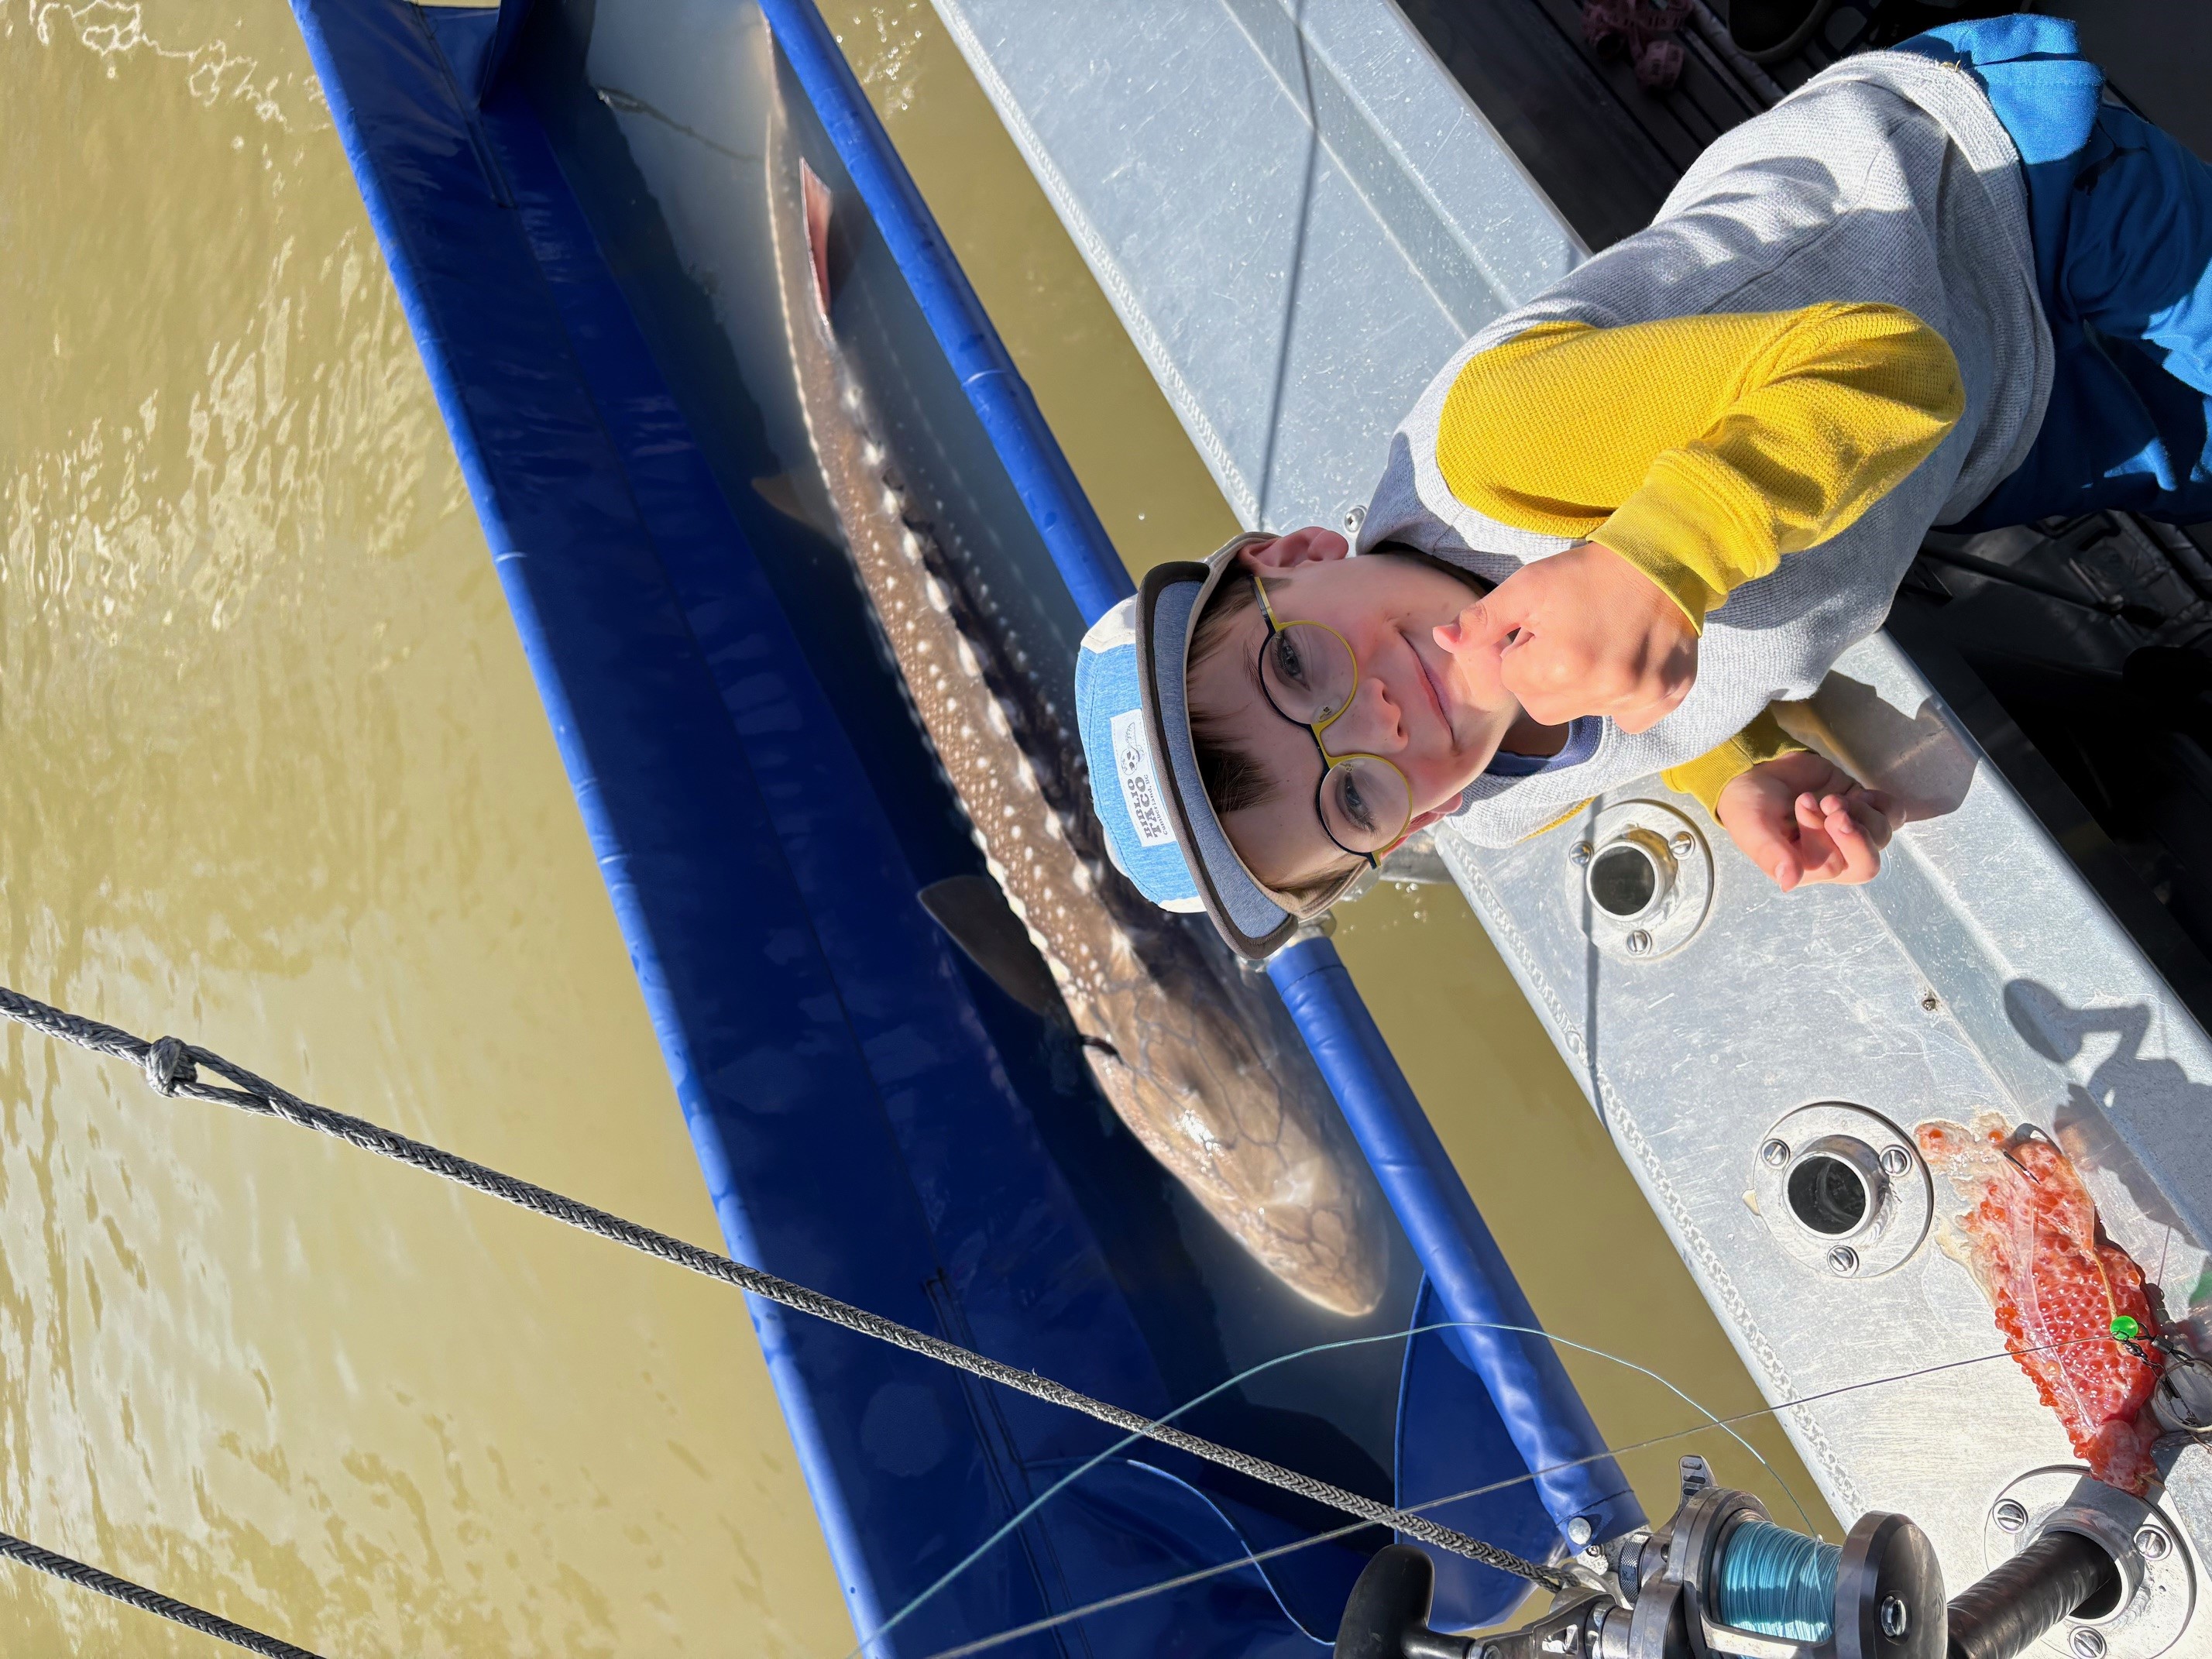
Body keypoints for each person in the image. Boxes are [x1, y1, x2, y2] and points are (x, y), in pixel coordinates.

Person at [1073, 17, 2212, 960]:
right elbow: (1633, 724)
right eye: (1354, 803)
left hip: (1995, 194)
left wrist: (1654, 562)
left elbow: (1896, 364)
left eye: (1294, 666)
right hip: (1975, 444)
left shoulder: (1497, 449)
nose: (1371, 716)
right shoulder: (1496, 801)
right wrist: (1741, 774)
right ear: (1417, 826)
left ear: (1298, 555)